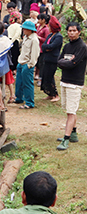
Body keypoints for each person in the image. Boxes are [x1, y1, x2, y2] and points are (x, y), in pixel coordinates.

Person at [56, 22, 87, 151]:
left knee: (71, 112)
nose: (72, 33)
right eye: (69, 30)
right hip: (65, 80)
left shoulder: (82, 47)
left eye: (74, 30)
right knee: (68, 109)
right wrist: (66, 62)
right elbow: (58, 61)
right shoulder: (67, 46)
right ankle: (73, 133)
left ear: (79, 32)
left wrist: (67, 62)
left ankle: (66, 138)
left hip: (75, 83)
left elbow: (73, 64)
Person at [14, 20, 40, 109]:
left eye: (25, 29)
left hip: (27, 64)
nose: (23, 30)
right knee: (19, 82)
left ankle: (29, 102)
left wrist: (30, 64)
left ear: (30, 30)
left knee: (27, 83)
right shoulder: (25, 37)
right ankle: (19, 98)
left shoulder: (34, 40)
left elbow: (35, 54)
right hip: (21, 62)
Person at [41, 16, 63, 102]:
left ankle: (55, 94)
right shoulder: (50, 35)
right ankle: (50, 94)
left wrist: (47, 47)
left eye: (50, 26)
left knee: (50, 77)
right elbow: (44, 46)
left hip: (53, 60)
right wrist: (47, 47)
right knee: (45, 76)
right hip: (47, 58)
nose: (48, 28)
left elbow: (52, 46)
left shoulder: (58, 36)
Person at [7, 11, 23, 103]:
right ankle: (14, 71)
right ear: (17, 19)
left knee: (11, 57)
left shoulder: (10, 26)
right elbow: (17, 35)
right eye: (20, 18)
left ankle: (12, 70)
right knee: (16, 57)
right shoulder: (18, 26)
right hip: (14, 42)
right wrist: (12, 42)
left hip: (9, 41)